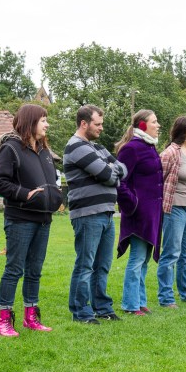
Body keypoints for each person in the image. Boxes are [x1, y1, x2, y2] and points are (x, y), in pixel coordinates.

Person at [0, 104, 63, 337]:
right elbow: (0, 182)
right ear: (30, 122)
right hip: (20, 219)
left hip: (44, 220)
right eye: (43, 120)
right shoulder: (11, 149)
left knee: (35, 270)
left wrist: (55, 198)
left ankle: (30, 317)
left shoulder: (44, 151)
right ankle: (4, 320)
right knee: (14, 269)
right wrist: (25, 194)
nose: (47, 124)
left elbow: (51, 180)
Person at [65, 105, 127, 324]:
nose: (101, 128)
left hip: (107, 213)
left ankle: (102, 307)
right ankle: (81, 312)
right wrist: (111, 173)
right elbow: (107, 175)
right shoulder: (76, 147)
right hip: (88, 214)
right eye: (97, 124)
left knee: (102, 265)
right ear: (84, 124)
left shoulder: (97, 147)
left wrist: (112, 172)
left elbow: (121, 169)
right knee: (85, 264)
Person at [115, 109, 163, 316]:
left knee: (143, 260)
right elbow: (119, 181)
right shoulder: (132, 148)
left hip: (152, 213)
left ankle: (140, 301)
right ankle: (130, 304)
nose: (158, 125)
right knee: (136, 259)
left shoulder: (149, 147)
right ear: (142, 125)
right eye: (154, 121)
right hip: (138, 214)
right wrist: (133, 204)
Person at [156, 116, 186, 307]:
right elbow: (158, 180)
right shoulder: (170, 153)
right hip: (175, 207)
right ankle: (166, 298)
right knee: (171, 253)